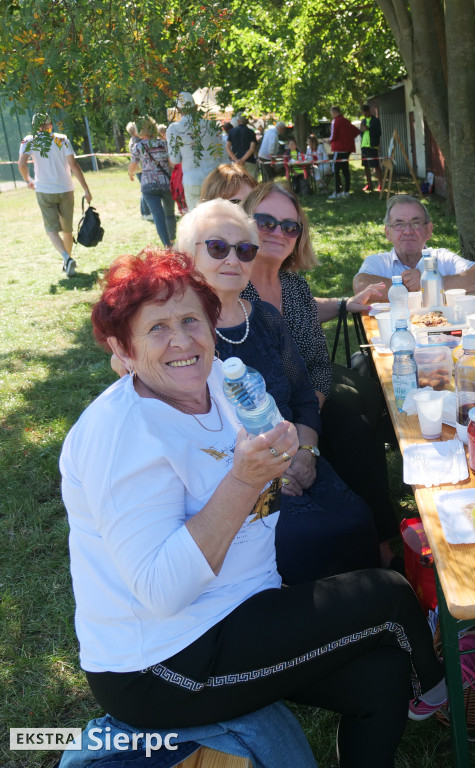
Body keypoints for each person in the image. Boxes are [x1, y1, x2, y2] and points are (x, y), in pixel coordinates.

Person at [62, 248, 446, 766]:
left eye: (191, 320)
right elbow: (160, 591)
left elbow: (265, 447)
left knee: (382, 678)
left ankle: (426, 685)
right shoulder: (119, 439)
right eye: (156, 328)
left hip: (242, 606)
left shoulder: (217, 380)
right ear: (122, 348)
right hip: (162, 662)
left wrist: (288, 452)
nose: (181, 340)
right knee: (388, 592)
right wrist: (245, 480)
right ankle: (449, 693)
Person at [178, 200, 378, 582]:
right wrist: (267, 475)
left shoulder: (266, 319)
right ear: (190, 256)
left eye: (245, 249)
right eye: (218, 247)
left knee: (356, 518)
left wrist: (306, 453)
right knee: (305, 537)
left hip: (293, 452)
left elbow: (303, 396)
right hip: (232, 478)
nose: (233, 259)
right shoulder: (184, 335)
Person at [241, 183, 398, 566]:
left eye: (290, 227)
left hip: (301, 406)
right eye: (266, 221)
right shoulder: (229, 287)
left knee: (353, 426)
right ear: (243, 223)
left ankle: (385, 539)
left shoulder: (294, 288)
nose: (278, 232)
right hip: (250, 427)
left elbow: (315, 364)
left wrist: (306, 429)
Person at [353, 194, 475, 295]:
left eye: (415, 223)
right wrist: (404, 286)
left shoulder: (442, 258)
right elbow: (360, 285)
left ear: (429, 231)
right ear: (387, 232)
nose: (408, 231)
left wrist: (430, 283)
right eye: (399, 224)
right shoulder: (378, 262)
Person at [18, 112, 93, 278]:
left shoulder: (29, 140)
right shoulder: (62, 139)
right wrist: (86, 189)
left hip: (44, 190)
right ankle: (68, 262)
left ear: (35, 126)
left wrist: (28, 180)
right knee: (67, 229)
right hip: (66, 189)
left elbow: (22, 164)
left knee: (51, 229)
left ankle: (66, 258)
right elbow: (74, 165)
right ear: (50, 125)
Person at [166, 91, 226, 212]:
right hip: (213, 178)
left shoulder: (174, 129)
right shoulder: (210, 125)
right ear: (196, 107)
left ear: (178, 109)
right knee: (216, 216)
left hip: (192, 179)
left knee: (196, 219)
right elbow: (222, 154)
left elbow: (175, 159)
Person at [128, 117, 176, 246]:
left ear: (141, 131)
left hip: (149, 185)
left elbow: (133, 165)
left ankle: (167, 245)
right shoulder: (164, 144)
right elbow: (172, 163)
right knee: (170, 214)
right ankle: (172, 239)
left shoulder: (138, 146)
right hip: (166, 183)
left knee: (158, 216)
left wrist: (130, 174)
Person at [328, 105, 361, 200]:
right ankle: (346, 191)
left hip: (339, 149)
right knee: (345, 170)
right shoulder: (347, 121)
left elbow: (333, 135)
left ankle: (337, 192)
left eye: (331, 113)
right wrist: (348, 139)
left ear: (334, 112)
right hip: (348, 149)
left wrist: (329, 140)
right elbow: (356, 131)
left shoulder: (335, 121)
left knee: (335, 170)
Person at [126, 121, 151, 221]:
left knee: (145, 189)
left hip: (138, 169)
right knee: (145, 190)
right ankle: (145, 212)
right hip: (142, 168)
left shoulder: (132, 141)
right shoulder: (138, 141)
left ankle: (146, 212)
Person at [359, 103, 383, 192]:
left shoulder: (375, 121)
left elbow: (379, 133)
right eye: (363, 112)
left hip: (373, 146)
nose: (365, 114)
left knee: (376, 166)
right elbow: (361, 133)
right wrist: (361, 130)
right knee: (366, 166)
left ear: (369, 111)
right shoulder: (363, 121)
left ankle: (380, 184)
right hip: (364, 146)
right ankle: (369, 184)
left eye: (366, 112)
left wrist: (369, 129)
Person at [227, 114, 258, 179]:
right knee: (252, 184)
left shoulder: (231, 132)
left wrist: (236, 160)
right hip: (249, 161)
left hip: (236, 162)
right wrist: (242, 160)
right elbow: (252, 148)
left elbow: (228, 148)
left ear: (238, 121)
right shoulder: (251, 132)